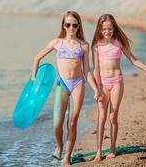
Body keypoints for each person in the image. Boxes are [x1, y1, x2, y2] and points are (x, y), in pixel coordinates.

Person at [31, 11, 101, 166]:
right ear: (63, 25)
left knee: (72, 123)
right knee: (57, 124)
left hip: (78, 84)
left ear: (78, 26)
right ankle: (60, 146)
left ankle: (67, 157)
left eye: (75, 25)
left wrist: (96, 89)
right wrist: (34, 78)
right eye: (68, 24)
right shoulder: (57, 42)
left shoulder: (84, 45)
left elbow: (87, 71)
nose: (71, 28)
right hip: (62, 84)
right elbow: (37, 57)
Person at [91, 14, 146, 161]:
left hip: (117, 82)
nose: (107, 31)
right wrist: (97, 89)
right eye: (104, 29)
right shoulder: (96, 45)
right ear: (100, 29)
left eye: (109, 28)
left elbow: (134, 60)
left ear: (114, 28)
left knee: (113, 116)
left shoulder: (119, 43)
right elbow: (95, 69)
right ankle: (98, 151)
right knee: (101, 117)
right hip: (103, 84)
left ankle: (112, 148)